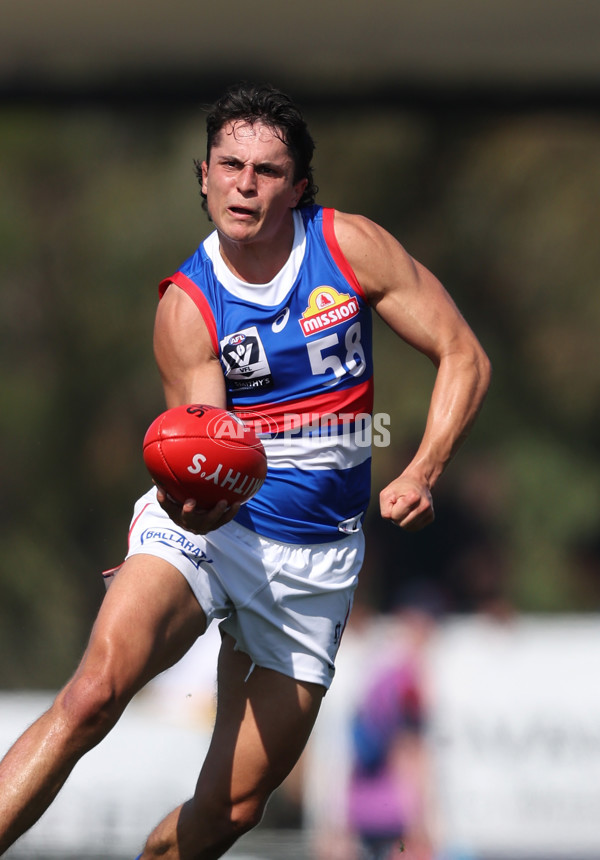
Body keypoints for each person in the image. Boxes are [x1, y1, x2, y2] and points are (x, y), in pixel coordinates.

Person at [0, 82, 491, 859]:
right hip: (215, 531)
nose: (245, 184)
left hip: (318, 562)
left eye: (267, 170)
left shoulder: (348, 247)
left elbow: (463, 353)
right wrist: (194, 505)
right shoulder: (188, 307)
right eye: (230, 165)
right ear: (203, 175)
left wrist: (425, 468)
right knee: (94, 695)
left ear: (297, 186)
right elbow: (209, 452)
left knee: (230, 813)